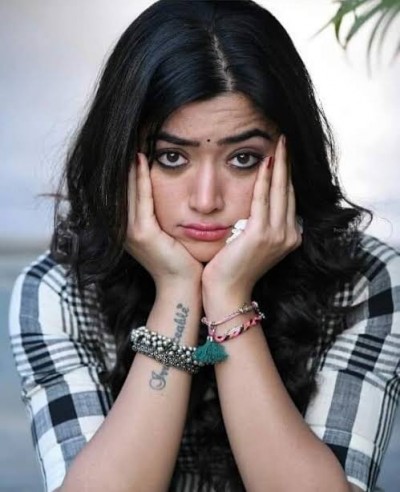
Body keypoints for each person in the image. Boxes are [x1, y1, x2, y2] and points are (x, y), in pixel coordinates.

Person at [8, 1, 400, 491]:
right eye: (172, 157)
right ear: (120, 157)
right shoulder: (61, 291)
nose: (207, 199)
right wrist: (176, 289)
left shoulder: (365, 281)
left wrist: (229, 298)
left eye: (243, 158)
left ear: (291, 160)